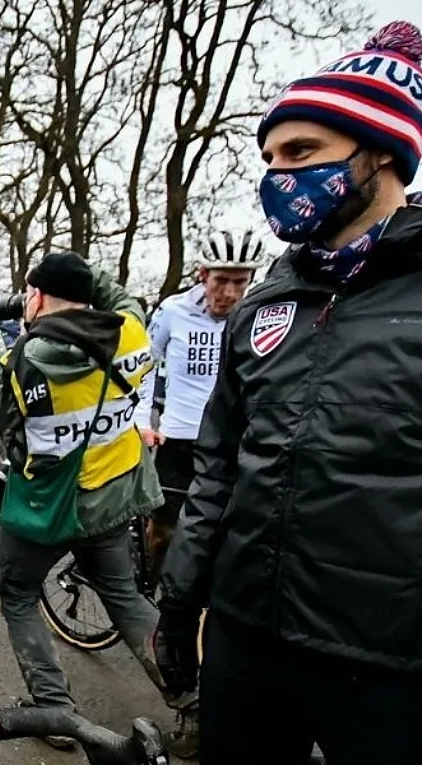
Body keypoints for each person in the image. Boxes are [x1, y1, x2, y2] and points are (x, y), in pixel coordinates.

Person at [155, 21, 422, 765]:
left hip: (408, 677)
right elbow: (221, 467)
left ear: (380, 150)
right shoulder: (269, 300)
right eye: (269, 157)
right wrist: (181, 601)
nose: (277, 174)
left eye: (301, 152)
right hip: (248, 650)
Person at [0, 251, 197, 755]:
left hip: (47, 510)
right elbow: (116, 296)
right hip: (112, 501)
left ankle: (55, 711)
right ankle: (192, 699)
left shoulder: (25, 359)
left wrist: (24, 332)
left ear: (36, 297)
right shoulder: (131, 332)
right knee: (125, 597)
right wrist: (76, 277)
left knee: (18, 593)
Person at [132, 230, 263, 580]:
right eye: (221, 281)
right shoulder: (173, 311)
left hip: (232, 440)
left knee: (223, 530)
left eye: (240, 282)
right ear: (202, 274)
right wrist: (143, 421)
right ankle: (150, 592)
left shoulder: (254, 314)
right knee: (165, 532)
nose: (230, 293)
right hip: (179, 438)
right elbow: (144, 367)